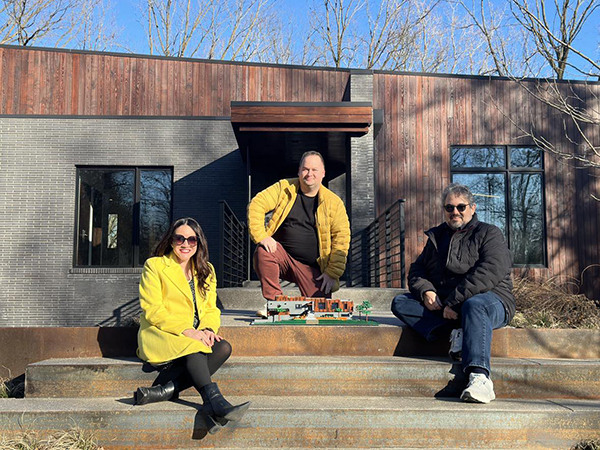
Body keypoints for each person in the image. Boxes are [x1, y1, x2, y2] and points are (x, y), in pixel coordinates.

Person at [391, 183, 514, 403]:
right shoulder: (437, 237)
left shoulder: (489, 233)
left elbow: (489, 272)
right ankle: (455, 332)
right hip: (447, 306)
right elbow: (417, 270)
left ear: (472, 208)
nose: (455, 212)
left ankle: (480, 377)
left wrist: (454, 302)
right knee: (401, 302)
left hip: (491, 301)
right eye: (449, 208)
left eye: (461, 207)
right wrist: (426, 290)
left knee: (473, 306)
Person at [134, 217, 250, 434]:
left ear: (199, 243)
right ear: (171, 241)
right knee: (196, 346)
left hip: (193, 336)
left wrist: (207, 330)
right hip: (162, 332)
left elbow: (210, 309)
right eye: (180, 238)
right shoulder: (155, 265)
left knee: (223, 347)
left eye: (191, 239)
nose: (185, 244)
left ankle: (169, 392)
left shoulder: (207, 270)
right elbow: (152, 309)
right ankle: (215, 402)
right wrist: (188, 331)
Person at [248, 151, 350, 317]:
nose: (309, 174)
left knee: (320, 311)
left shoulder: (334, 203)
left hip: (313, 268)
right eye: (305, 169)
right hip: (283, 258)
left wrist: (332, 272)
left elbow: (341, 239)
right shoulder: (284, 188)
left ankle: (299, 306)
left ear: (323, 173)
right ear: (299, 171)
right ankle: (276, 303)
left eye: (314, 170)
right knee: (263, 251)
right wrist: (261, 235)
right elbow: (257, 203)